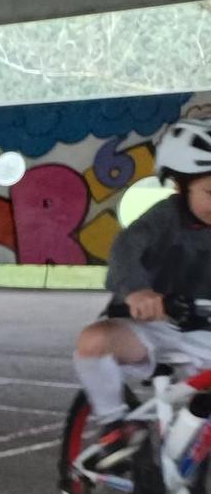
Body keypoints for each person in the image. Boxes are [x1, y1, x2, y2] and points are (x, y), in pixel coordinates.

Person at [73, 118, 211, 471]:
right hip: (153, 325)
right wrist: (138, 292)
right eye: (210, 192)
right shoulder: (165, 218)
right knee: (93, 342)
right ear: (181, 187)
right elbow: (125, 250)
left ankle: (178, 462)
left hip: (205, 334)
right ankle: (112, 425)